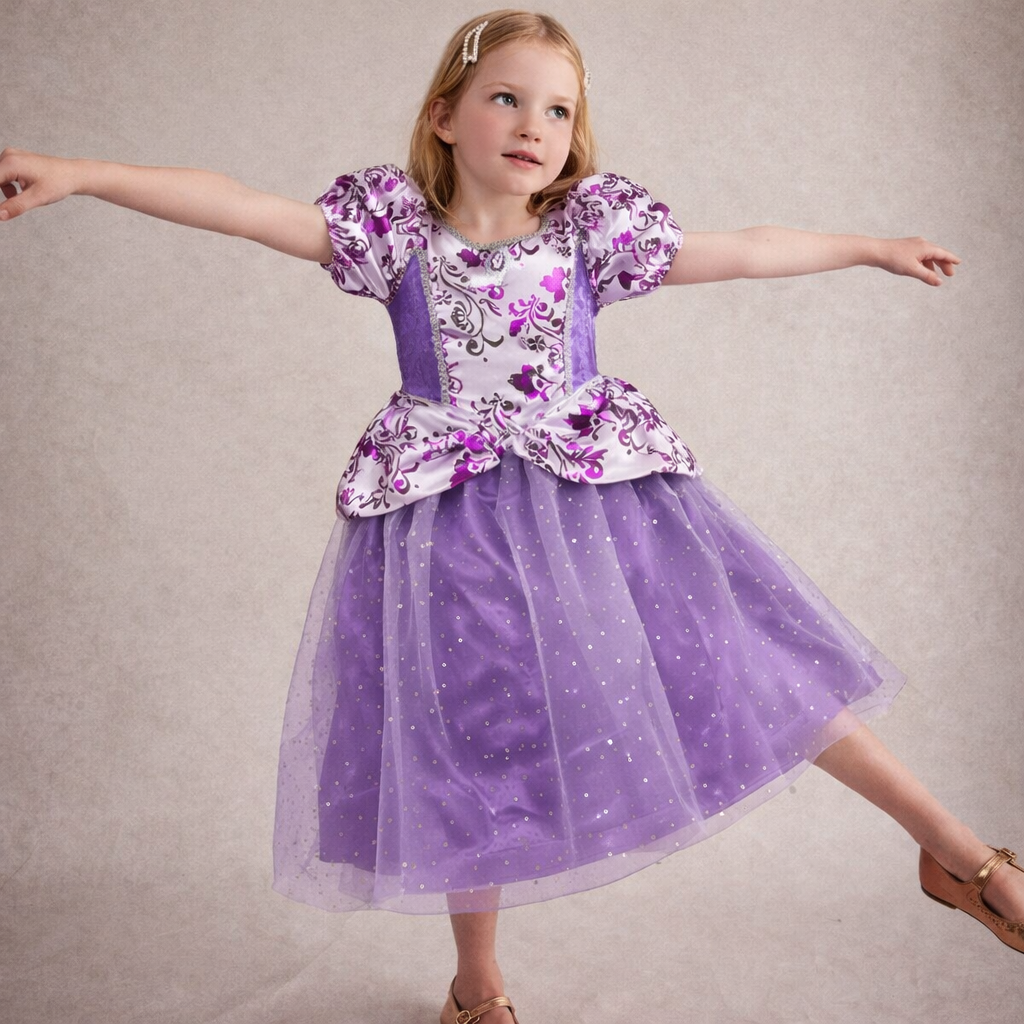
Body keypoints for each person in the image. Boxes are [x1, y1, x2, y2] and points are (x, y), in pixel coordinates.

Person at [2, 9, 1020, 1023]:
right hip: (448, 523)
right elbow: (236, 205)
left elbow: (747, 248)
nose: (535, 125)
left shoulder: (590, 236)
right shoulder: (394, 235)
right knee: (472, 736)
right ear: (444, 117)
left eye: (559, 110)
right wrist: (83, 173)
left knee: (739, 657)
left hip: (600, 503)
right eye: (506, 98)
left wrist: (869, 247)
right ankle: (476, 985)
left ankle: (955, 851)